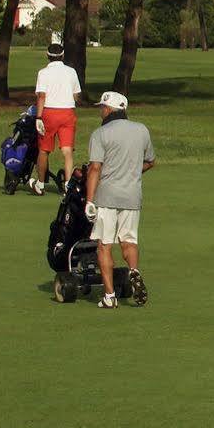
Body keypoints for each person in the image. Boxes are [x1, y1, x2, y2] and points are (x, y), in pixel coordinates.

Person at [83, 91, 153, 309]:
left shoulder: (100, 133)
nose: (100, 111)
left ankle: (110, 296)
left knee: (104, 246)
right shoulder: (142, 130)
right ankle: (133, 271)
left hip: (107, 197)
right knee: (129, 241)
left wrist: (89, 200)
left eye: (101, 108)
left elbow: (95, 168)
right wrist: (131, 172)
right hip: (132, 196)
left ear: (109, 110)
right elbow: (150, 162)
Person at [31, 42, 83, 194]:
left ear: (47, 56)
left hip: (49, 113)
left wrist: (38, 117)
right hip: (67, 112)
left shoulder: (43, 73)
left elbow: (41, 96)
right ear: (62, 56)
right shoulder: (71, 72)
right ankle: (68, 185)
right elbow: (76, 95)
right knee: (67, 151)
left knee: (44, 150)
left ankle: (40, 185)